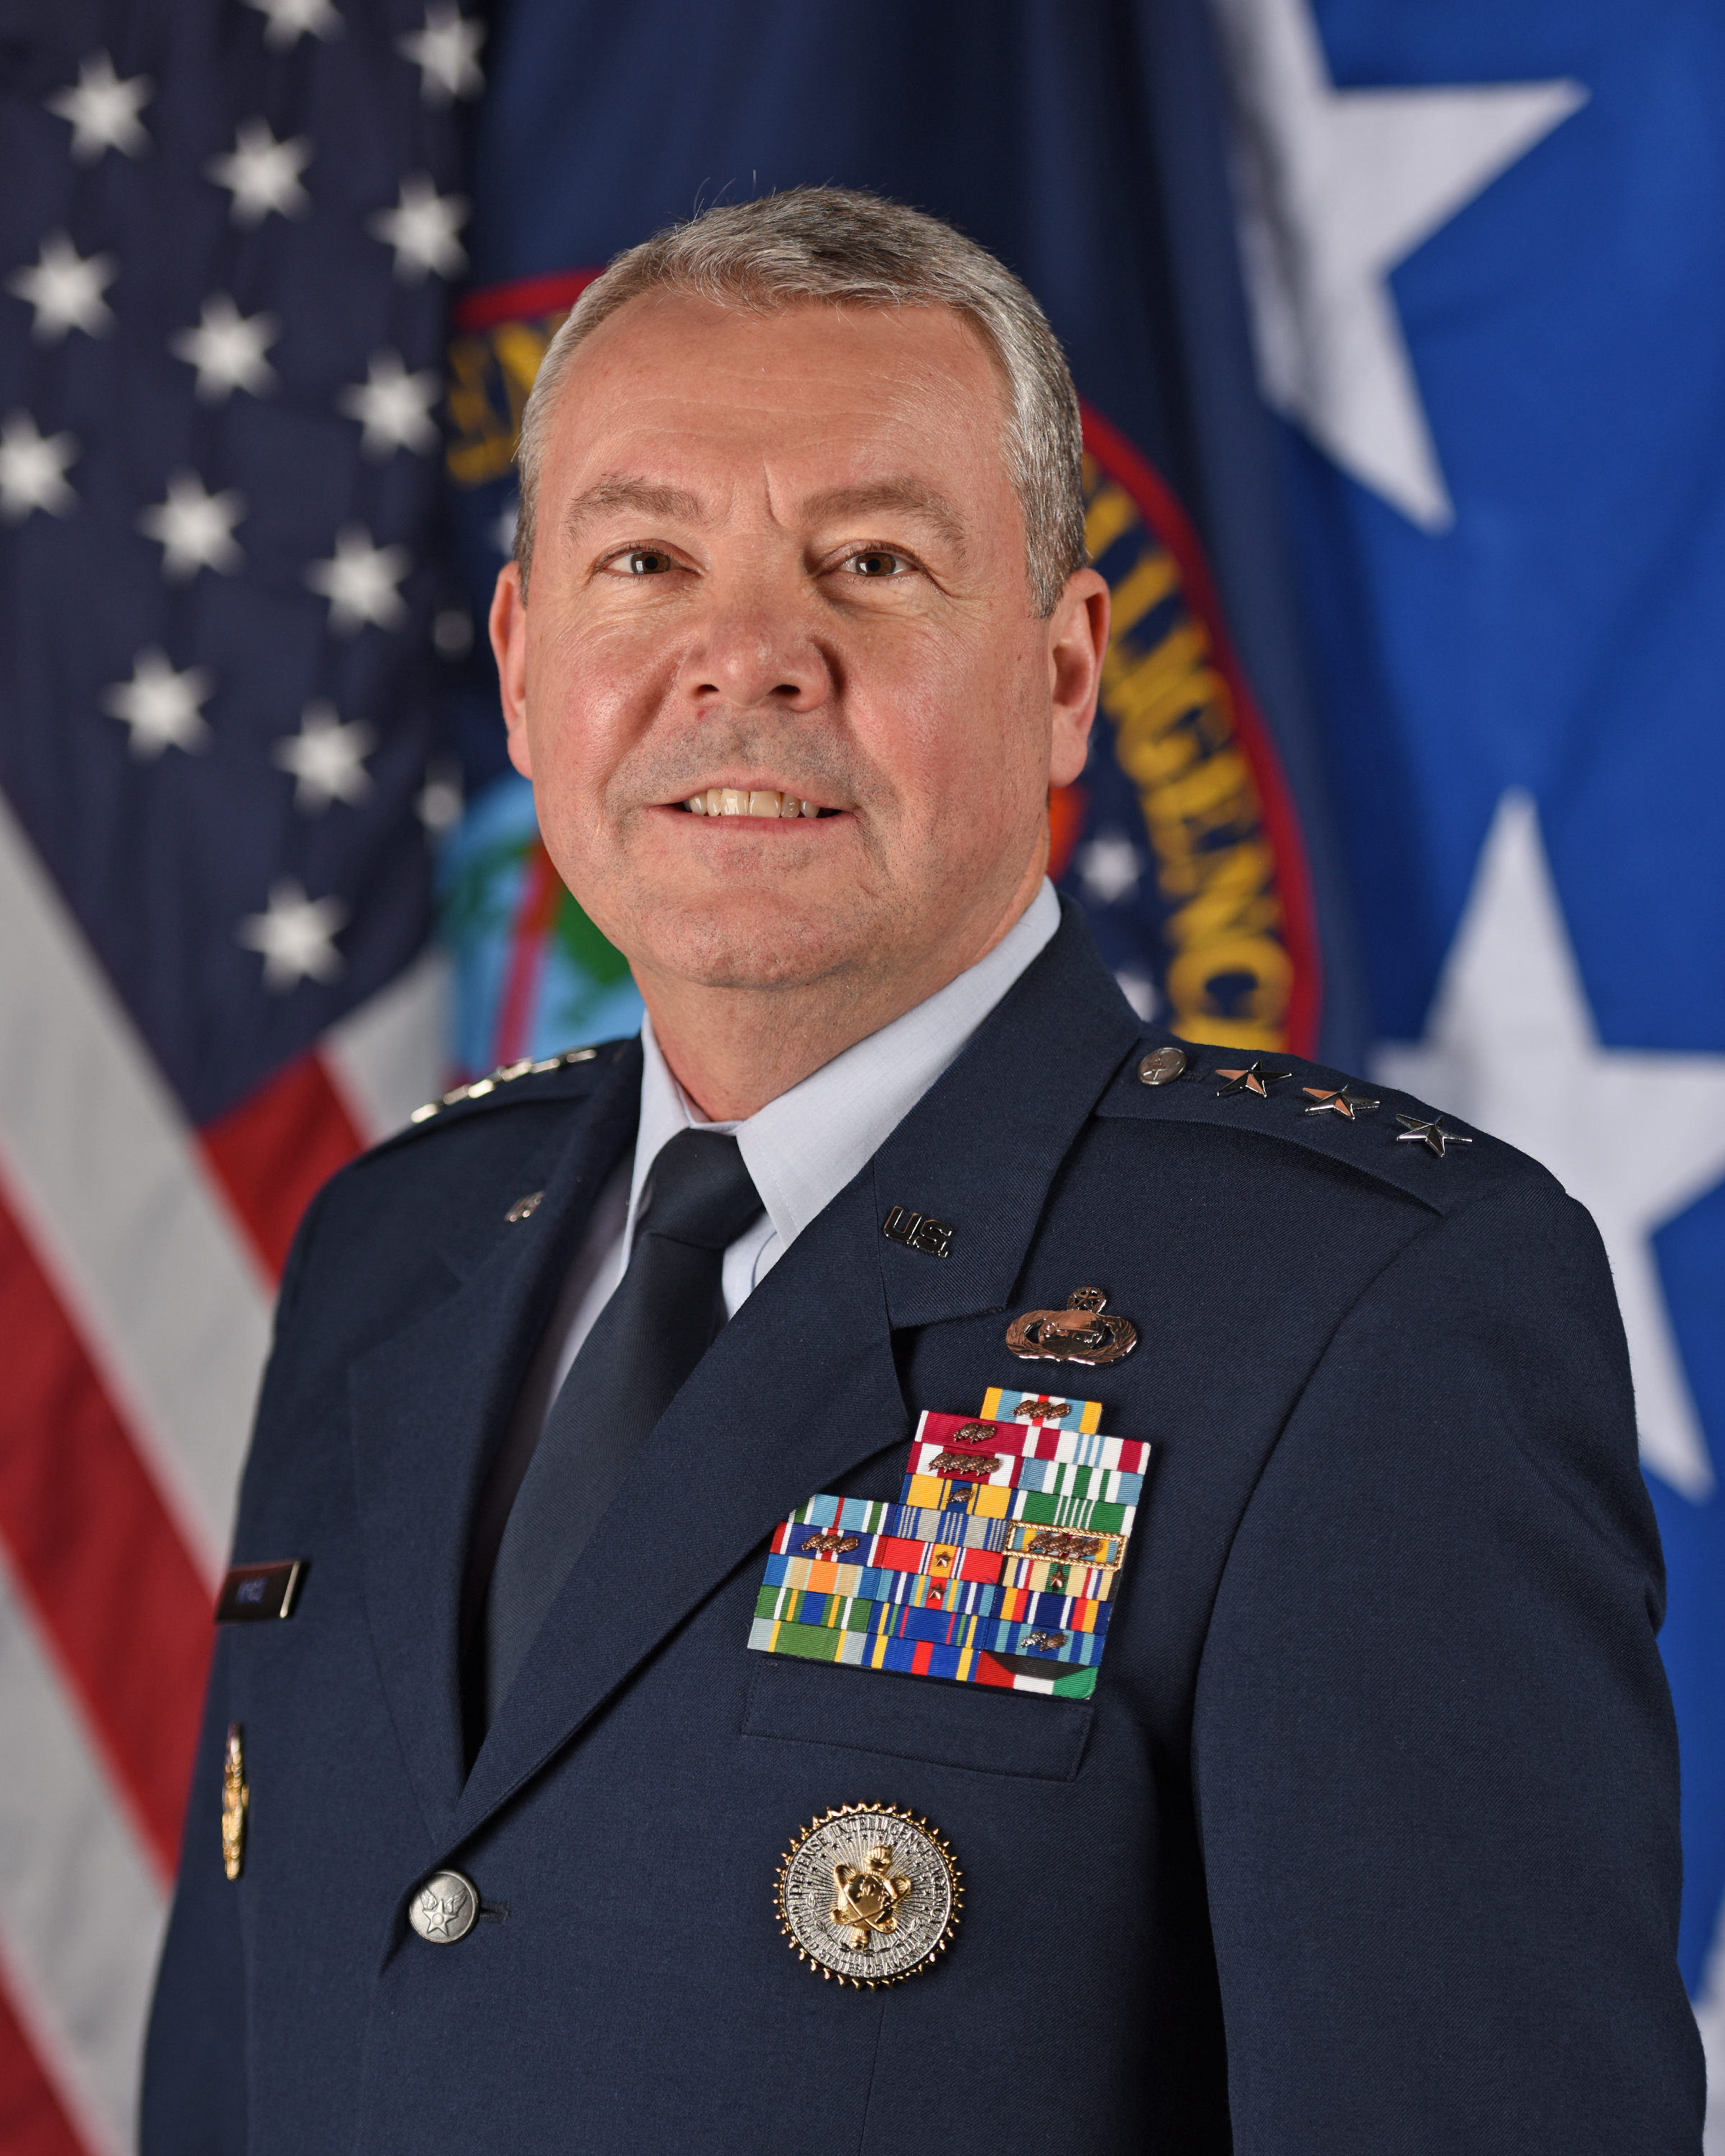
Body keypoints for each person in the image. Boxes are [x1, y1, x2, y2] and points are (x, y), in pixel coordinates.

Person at [142, 187, 1703, 2154]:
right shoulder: (402, 1246)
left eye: (871, 563)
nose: (747, 663)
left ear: (1064, 676)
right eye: (647, 561)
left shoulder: (1361, 1320)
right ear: (526, 663)